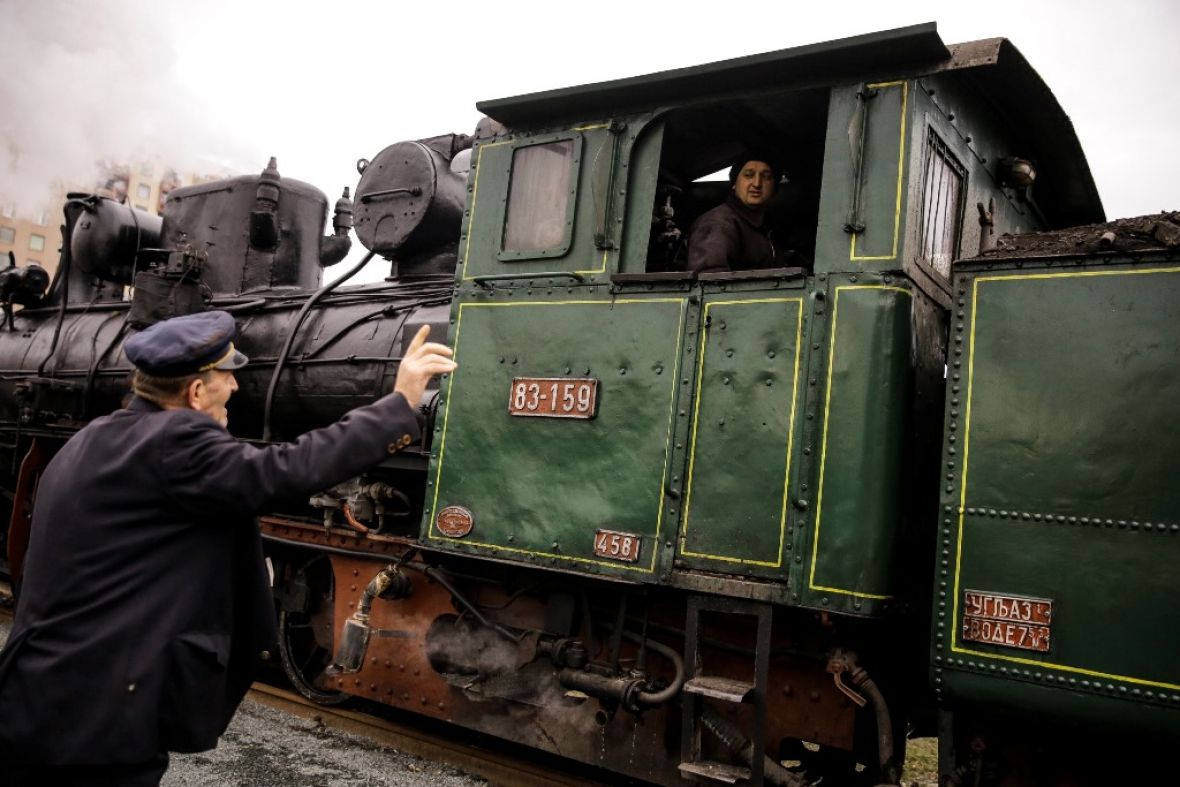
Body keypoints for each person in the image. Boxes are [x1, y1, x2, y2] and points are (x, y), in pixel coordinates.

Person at [0, 310, 455, 786]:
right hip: (100, 715)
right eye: (227, 376)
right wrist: (401, 403)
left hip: (41, 692)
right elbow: (286, 470)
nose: (236, 388)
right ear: (197, 392)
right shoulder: (175, 441)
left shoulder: (91, 438)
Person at [686, 153, 783, 274]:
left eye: (766, 176)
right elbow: (710, 283)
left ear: (774, 188)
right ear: (734, 184)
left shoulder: (765, 228)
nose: (757, 183)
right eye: (749, 175)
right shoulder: (718, 224)